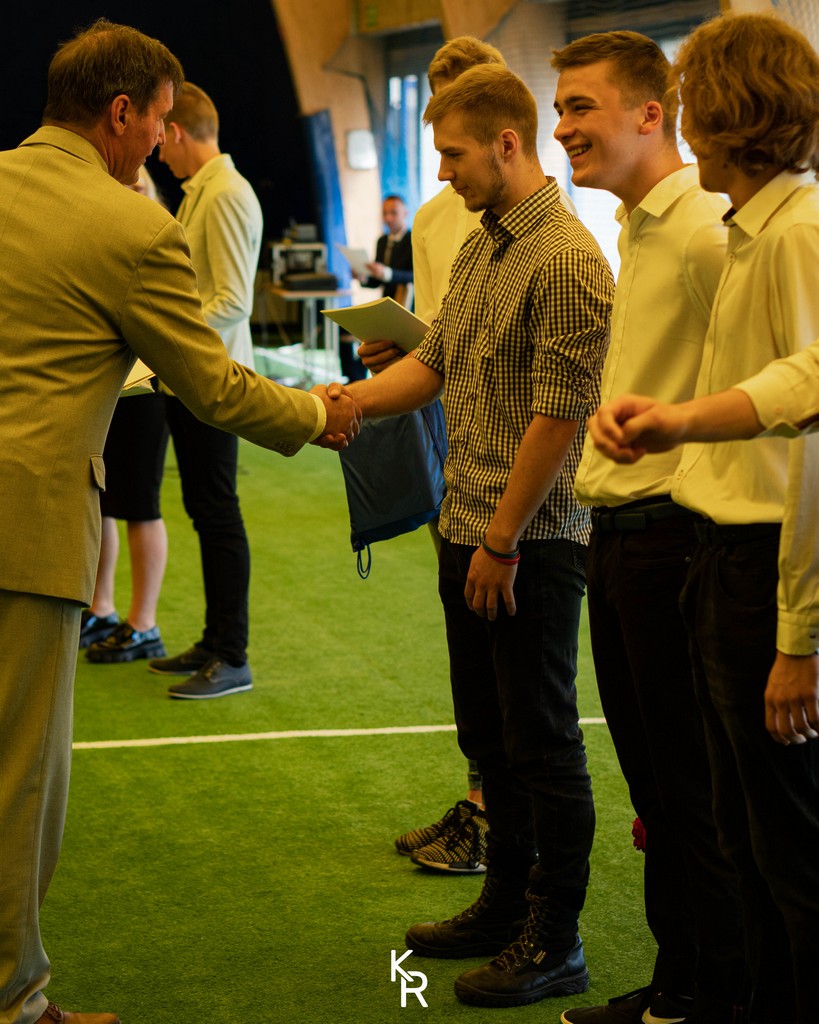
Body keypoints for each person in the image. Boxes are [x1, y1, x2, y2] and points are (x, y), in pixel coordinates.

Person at [0, 19, 359, 1024]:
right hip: (27, 527)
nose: (160, 139)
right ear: (121, 112)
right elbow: (213, 386)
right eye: (157, 120)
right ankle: (14, 1001)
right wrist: (318, 413)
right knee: (20, 782)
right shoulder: (130, 227)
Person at [336, 63, 613, 1008]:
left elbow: (558, 418)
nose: (442, 172)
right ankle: (502, 907)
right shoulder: (484, 244)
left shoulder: (567, 257)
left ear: (504, 143)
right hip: (469, 523)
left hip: (529, 539)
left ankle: (555, 938)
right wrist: (340, 403)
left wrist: (501, 542)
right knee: (488, 736)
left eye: (452, 154)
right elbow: (436, 365)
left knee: (542, 742)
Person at [586, 13, 819, 1024]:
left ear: (729, 113)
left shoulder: (796, 233)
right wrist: (675, 423)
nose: (684, 120)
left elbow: (810, 421)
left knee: (789, 852)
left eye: (692, 100)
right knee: (745, 835)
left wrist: (800, 638)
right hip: (721, 558)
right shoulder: (749, 228)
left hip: (761, 567)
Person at [548, 31, 747, 1024]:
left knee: (691, 788)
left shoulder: (707, 228)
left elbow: (756, 398)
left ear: (649, 114)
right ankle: (681, 982)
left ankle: (711, 990)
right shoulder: (636, 226)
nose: (562, 126)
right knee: (658, 787)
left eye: (579, 106)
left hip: (674, 537)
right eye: (559, 108)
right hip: (620, 535)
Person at [149, 82, 263, 699]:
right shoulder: (203, 191)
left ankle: (233, 655)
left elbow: (233, 302)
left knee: (218, 513)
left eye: (160, 138)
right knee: (204, 510)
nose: (157, 150)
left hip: (215, 380)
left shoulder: (225, 193)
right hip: (191, 379)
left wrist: (169, 336)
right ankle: (215, 641)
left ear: (177, 131)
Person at [80, 166, 170, 664]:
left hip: (146, 386)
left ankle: (144, 623)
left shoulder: (156, 234)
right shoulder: (102, 229)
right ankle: (103, 608)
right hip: (108, 385)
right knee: (104, 500)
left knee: (141, 504)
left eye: (136, 187)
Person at [358, 194, 414, 306]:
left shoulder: (413, 239)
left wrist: (386, 273)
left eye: (393, 213)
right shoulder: (382, 241)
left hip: (409, 303)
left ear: (405, 213)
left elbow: (415, 276)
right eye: (384, 213)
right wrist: (363, 276)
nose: (388, 218)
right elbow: (377, 281)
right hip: (387, 303)